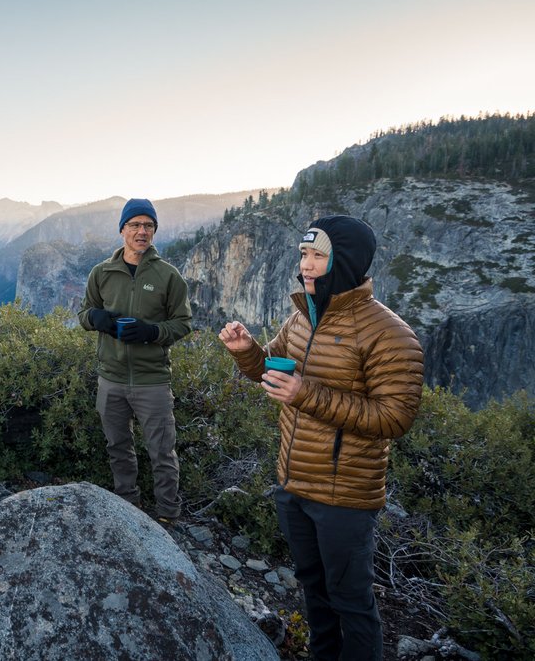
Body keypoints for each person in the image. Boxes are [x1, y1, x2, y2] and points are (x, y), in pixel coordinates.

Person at [218, 215, 424, 661]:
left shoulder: (389, 334)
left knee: (352, 602)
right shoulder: (302, 317)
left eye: (317, 256)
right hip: (293, 486)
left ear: (344, 262)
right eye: (303, 255)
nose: (306, 265)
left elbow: (396, 417)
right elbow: (270, 367)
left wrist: (307, 394)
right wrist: (247, 352)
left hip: (345, 497)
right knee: (314, 590)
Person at [78, 198, 193, 523]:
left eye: (148, 226)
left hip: (152, 381)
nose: (141, 231)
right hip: (110, 378)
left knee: (161, 452)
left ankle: (168, 515)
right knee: (118, 447)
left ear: (154, 231)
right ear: (122, 230)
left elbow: (183, 323)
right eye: (135, 225)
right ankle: (129, 511)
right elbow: (84, 314)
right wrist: (96, 318)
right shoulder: (101, 273)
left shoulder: (168, 276)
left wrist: (150, 331)